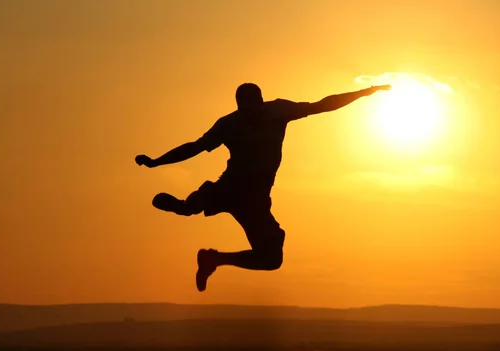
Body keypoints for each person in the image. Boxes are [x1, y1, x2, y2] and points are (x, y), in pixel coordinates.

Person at [135, 82, 391, 292]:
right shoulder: (229, 124)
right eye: (244, 111)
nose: (249, 116)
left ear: (261, 103)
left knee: (271, 259)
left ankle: (216, 259)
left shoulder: (278, 111)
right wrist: (157, 161)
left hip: (256, 199)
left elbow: (322, 105)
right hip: (232, 186)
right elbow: (195, 147)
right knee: (194, 207)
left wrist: (363, 92)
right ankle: (183, 206)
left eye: (253, 109)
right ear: (238, 108)